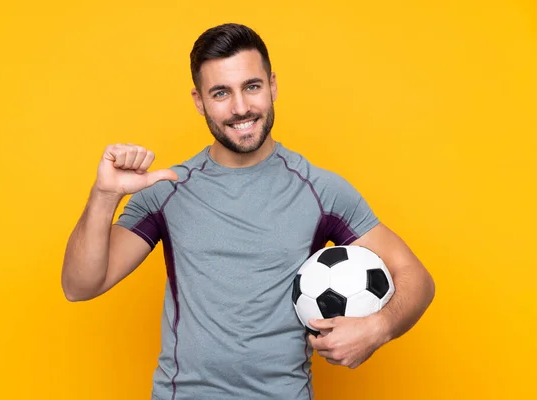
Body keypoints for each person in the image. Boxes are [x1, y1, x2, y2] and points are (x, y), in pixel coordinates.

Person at [61, 23, 435, 400]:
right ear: (198, 100)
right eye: (221, 92)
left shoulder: (321, 190)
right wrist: (104, 196)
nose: (240, 108)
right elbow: (79, 286)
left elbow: (416, 278)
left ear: (272, 85)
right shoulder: (166, 190)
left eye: (251, 87)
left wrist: (377, 328)